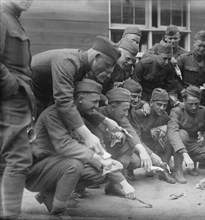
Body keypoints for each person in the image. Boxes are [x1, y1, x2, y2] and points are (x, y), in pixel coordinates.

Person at [25, 79, 127, 218]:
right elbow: (65, 145)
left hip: (54, 166)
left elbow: (83, 145)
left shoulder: (78, 116)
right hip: (34, 171)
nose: (96, 106)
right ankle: (59, 211)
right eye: (94, 101)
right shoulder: (54, 114)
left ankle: (48, 195)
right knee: (74, 165)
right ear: (80, 99)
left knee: (99, 172)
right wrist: (98, 158)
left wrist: (110, 165)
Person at [31, 35, 123, 157]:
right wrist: (87, 136)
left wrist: (105, 121)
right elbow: (64, 101)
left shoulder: (81, 68)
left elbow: (80, 103)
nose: (107, 72)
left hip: (39, 97)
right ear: (97, 57)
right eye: (106, 65)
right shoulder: (68, 62)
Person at [0, 0, 34, 219]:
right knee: (19, 158)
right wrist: (12, 86)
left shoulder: (13, 19)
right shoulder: (2, 17)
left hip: (17, 96)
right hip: (11, 96)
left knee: (5, 160)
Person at [92, 88, 153, 185]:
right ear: (113, 107)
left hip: (110, 151)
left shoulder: (119, 115)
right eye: (124, 110)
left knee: (135, 159)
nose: (126, 114)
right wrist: (122, 183)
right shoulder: (95, 118)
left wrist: (142, 151)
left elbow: (131, 133)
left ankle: (114, 181)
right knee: (97, 176)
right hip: (96, 155)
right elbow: (100, 151)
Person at [167, 85, 205, 184]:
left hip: (194, 143)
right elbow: (173, 132)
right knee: (182, 134)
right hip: (179, 144)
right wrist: (185, 154)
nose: (194, 107)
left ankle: (191, 162)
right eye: (190, 104)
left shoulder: (203, 111)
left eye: (196, 104)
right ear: (184, 100)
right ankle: (178, 169)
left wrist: (203, 137)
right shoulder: (176, 111)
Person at [126, 88, 175, 184]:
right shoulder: (140, 114)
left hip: (152, 145)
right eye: (159, 104)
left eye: (165, 105)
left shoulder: (164, 115)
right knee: (134, 159)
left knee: (169, 137)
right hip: (138, 146)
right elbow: (135, 138)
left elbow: (172, 126)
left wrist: (164, 128)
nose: (162, 108)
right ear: (151, 102)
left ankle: (163, 167)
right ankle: (129, 170)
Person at [176, 30, 205, 106]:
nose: (201, 48)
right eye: (199, 46)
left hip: (202, 98)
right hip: (186, 97)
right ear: (194, 44)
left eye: (204, 46)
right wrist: (181, 89)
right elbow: (173, 77)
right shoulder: (183, 59)